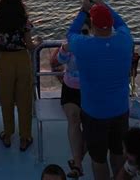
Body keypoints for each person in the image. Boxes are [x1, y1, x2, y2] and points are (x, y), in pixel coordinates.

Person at [67, 0, 133, 180]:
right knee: (118, 153)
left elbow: (70, 33)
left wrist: (83, 10)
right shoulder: (125, 40)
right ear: (110, 23)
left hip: (94, 114)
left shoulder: (83, 45)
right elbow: (122, 24)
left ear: (93, 26)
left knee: (98, 159)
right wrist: (105, 6)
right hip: (120, 111)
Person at [0, 0, 41, 151]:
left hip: (5, 60)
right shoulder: (24, 22)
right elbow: (30, 45)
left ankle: (7, 134)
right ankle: (25, 137)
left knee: (6, 100)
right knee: (24, 100)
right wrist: (39, 42)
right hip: (22, 59)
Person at [57, 19, 90, 178]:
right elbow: (60, 61)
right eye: (80, 32)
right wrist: (64, 48)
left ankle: (79, 159)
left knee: (91, 126)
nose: (82, 36)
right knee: (73, 118)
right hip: (71, 89)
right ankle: (77, 164)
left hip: (91, 90)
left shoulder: (95, 46)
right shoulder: (70, 45)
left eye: (85, 32)